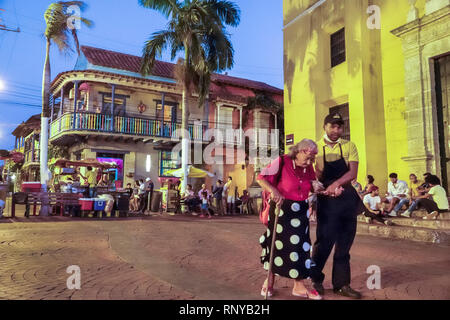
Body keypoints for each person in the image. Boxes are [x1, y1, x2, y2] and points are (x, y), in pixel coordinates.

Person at [257, 139, 322, 300]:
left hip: (300, 211)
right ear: (298, 152)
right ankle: (269, 281)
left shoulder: (308, 168)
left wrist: (317, 186)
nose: (309, 162)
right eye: (307, 158)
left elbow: (312, 183)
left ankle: (299, 286)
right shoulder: (281, 161)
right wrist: (274, 191)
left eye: (312, 159)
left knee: (300, 247)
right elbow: (261, 178)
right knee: (276, 245)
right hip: (281, 209)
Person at [310, 113, 362, 299]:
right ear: (325, 127)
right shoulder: (315, 147)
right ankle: (315, 280)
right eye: (332, 126)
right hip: (327, 200)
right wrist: (323, 187)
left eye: (339, 127)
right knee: (323, 242)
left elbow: (353, 172)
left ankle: (342, 284)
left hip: (347, 198)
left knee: (344, 245)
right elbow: (313, 173)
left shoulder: (349, 145)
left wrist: (337, 184)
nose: (336, 130)